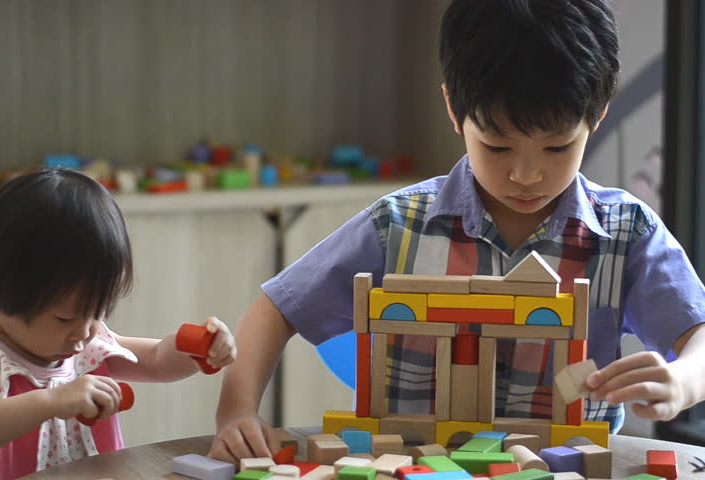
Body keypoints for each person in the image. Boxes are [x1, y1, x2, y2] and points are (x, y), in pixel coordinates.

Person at [209, 0, 705, 463]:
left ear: (596, 115)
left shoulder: (626, 233)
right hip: (415, 466)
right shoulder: (398, 225)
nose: (526, 175)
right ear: (454, 110)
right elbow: (276, 310)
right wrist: (235, 410)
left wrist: (682, 381)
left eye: (556, 149)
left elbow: (699, 336)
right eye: (496, 146)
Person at [0, 169, 237, 479]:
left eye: (99, 311)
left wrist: (197, 348)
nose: (84, 331)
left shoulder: (87, 344)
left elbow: (157, 361)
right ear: (4, 292)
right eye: (65, 317)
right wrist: (50, 402)